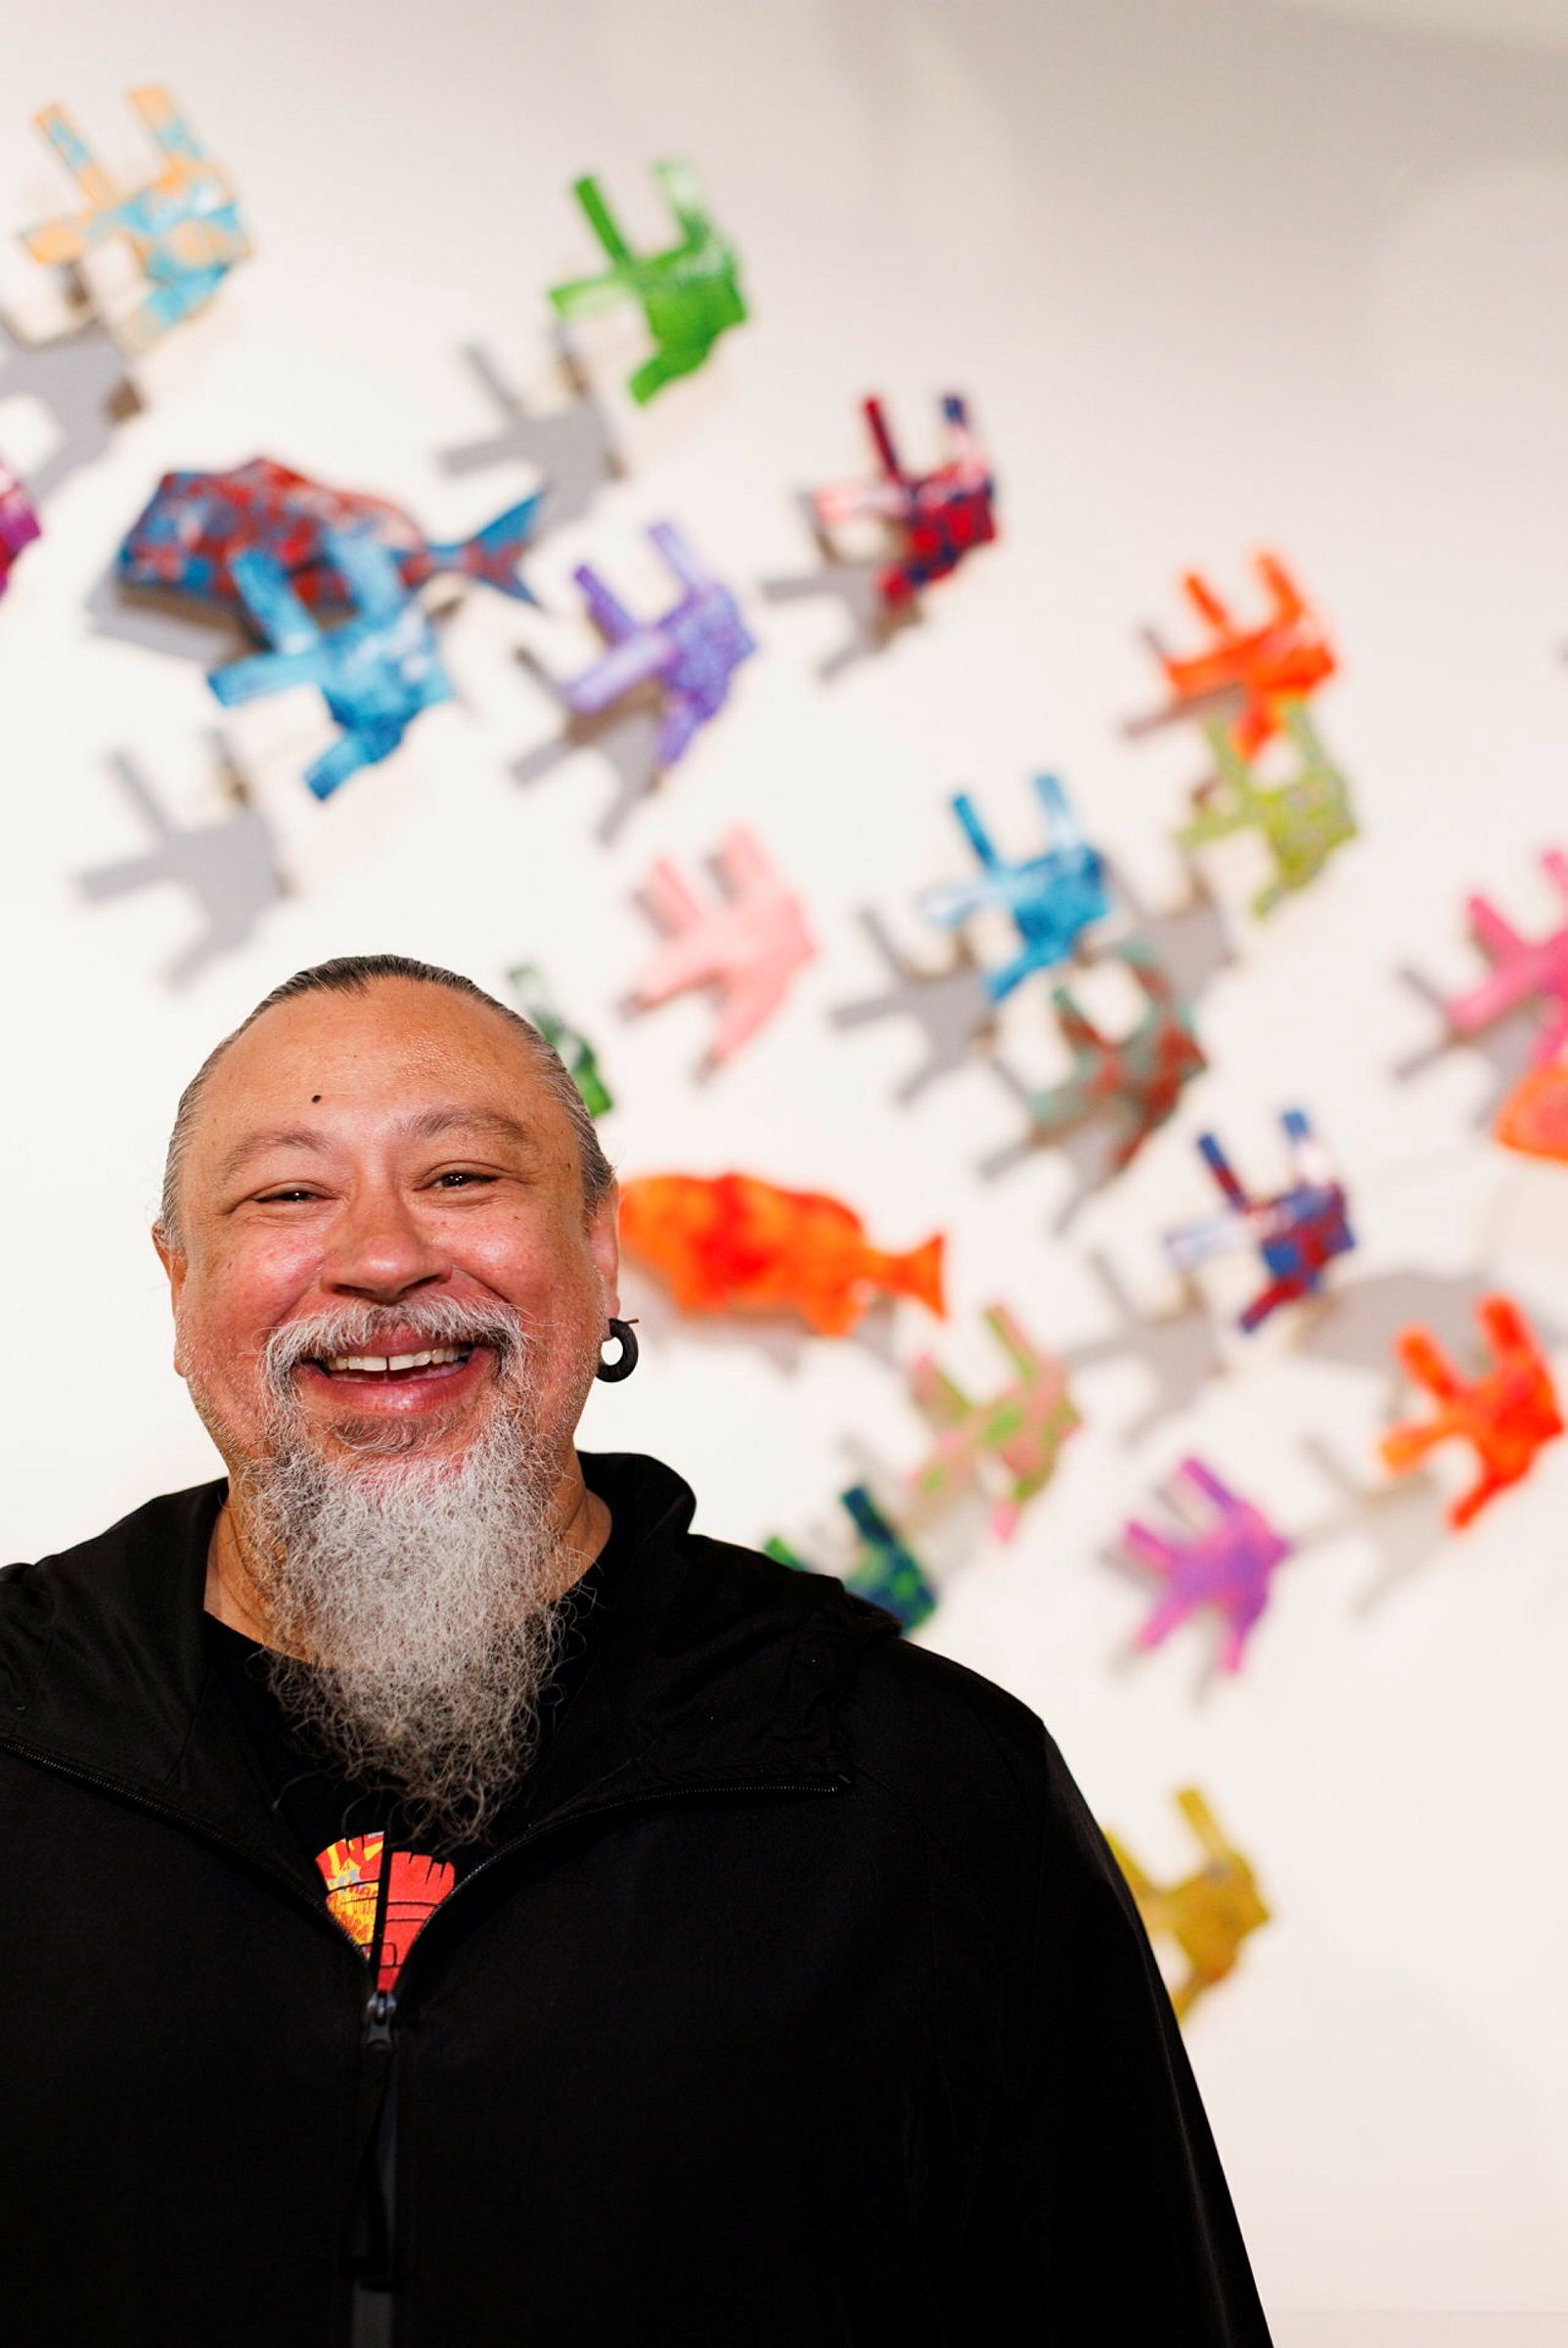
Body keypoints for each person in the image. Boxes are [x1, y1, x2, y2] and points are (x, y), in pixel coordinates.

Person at [0, 954, 1273, 2347]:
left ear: (600, 1255)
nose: (379, 1256)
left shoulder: (916, 1787)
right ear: (182, 1289)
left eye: (464, 1177)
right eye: (288, 1194)